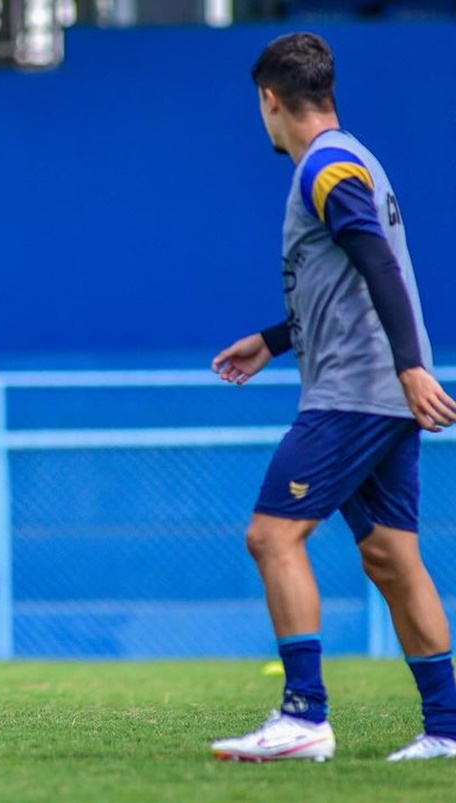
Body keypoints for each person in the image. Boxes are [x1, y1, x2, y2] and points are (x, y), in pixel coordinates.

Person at [209, 33, 456, 762]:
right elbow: (348, 281)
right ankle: (447, 728)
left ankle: (303, 715)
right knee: (390, 555)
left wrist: (413, 368)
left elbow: (378, 262)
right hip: (374, 387)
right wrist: (274, 338)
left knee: (271, 534)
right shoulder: (354, 158)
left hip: (355, 391)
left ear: (269, 99)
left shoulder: (324, 166)